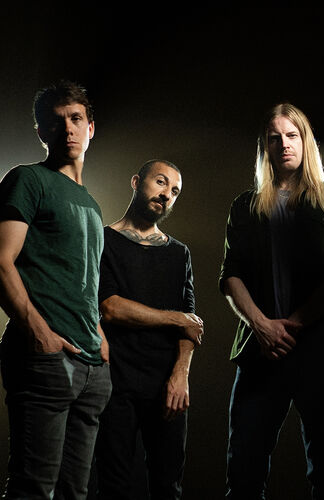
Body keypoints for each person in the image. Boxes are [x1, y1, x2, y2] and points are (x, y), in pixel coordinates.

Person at [219, 103, 324, 500]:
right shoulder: (245, 205)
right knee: (243, 474)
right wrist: (262, 326)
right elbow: (230, 275)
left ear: (305, 141)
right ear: (265, 146)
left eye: (292, 135)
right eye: (274, 137)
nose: (284, 144)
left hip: (319, 352)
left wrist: (294, 323)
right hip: (260, 352)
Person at [0, 80, 112, 499]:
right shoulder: (28, 180)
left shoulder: (91, 204)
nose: (68, 128)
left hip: (91, 366)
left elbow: (84, 280)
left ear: (90, 128)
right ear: (41, 131)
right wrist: (39, 331)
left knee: (74, 493)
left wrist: (98, 335)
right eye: (56, 120)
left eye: (76, 118)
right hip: (45, 359)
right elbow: (0, 261)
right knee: (33, 489)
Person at [94, 159, 204, 500]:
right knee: (113, 486)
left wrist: (181, 374)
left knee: (168, 487)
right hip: (116, 383)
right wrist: (175, 318)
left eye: (175, 191)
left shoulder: (179, 253)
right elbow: (110, 308)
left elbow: (191, 325)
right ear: (136, 181)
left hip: (167, 385)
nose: (167, 194)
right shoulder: (103, 240)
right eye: (160, 182)